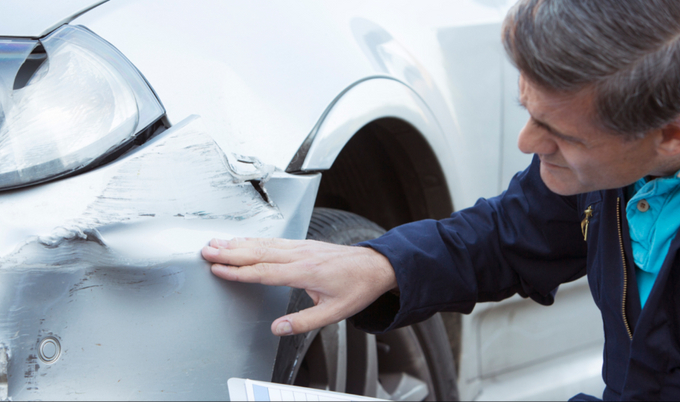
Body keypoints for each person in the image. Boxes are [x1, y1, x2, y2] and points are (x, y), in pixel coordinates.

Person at [201, 0, 680, 399]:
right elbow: (512, 234)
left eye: (561, 135)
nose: (527, 143)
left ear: (669, 136)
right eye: (528, 111)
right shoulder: (612, 169)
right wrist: (383, 266)